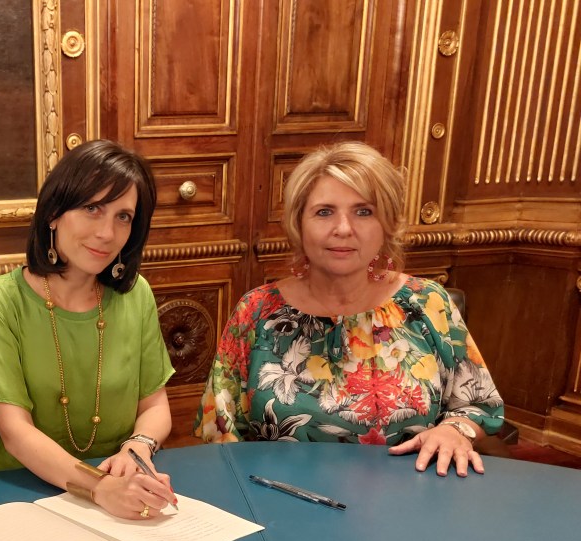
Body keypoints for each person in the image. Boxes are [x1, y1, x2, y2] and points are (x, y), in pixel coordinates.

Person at [196, 141, 504, 477]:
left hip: (409, 495)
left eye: (363, 211)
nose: (343, 228)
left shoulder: (427, 303)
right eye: (324, 212)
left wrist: (455, 431)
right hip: (279, 494)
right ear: (298, 223)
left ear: (387, 224)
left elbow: (479, 405)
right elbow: (221, 431)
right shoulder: (256, 311)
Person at [0, 139, 176, 518]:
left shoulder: (136, 293)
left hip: (117, 480)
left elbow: (155, 405)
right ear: (53, 213)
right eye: (92, 208)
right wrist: (99, 488)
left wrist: (138, 446)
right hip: (17, 487)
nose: (107, 233)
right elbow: (15, 434)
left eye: (123, 217)